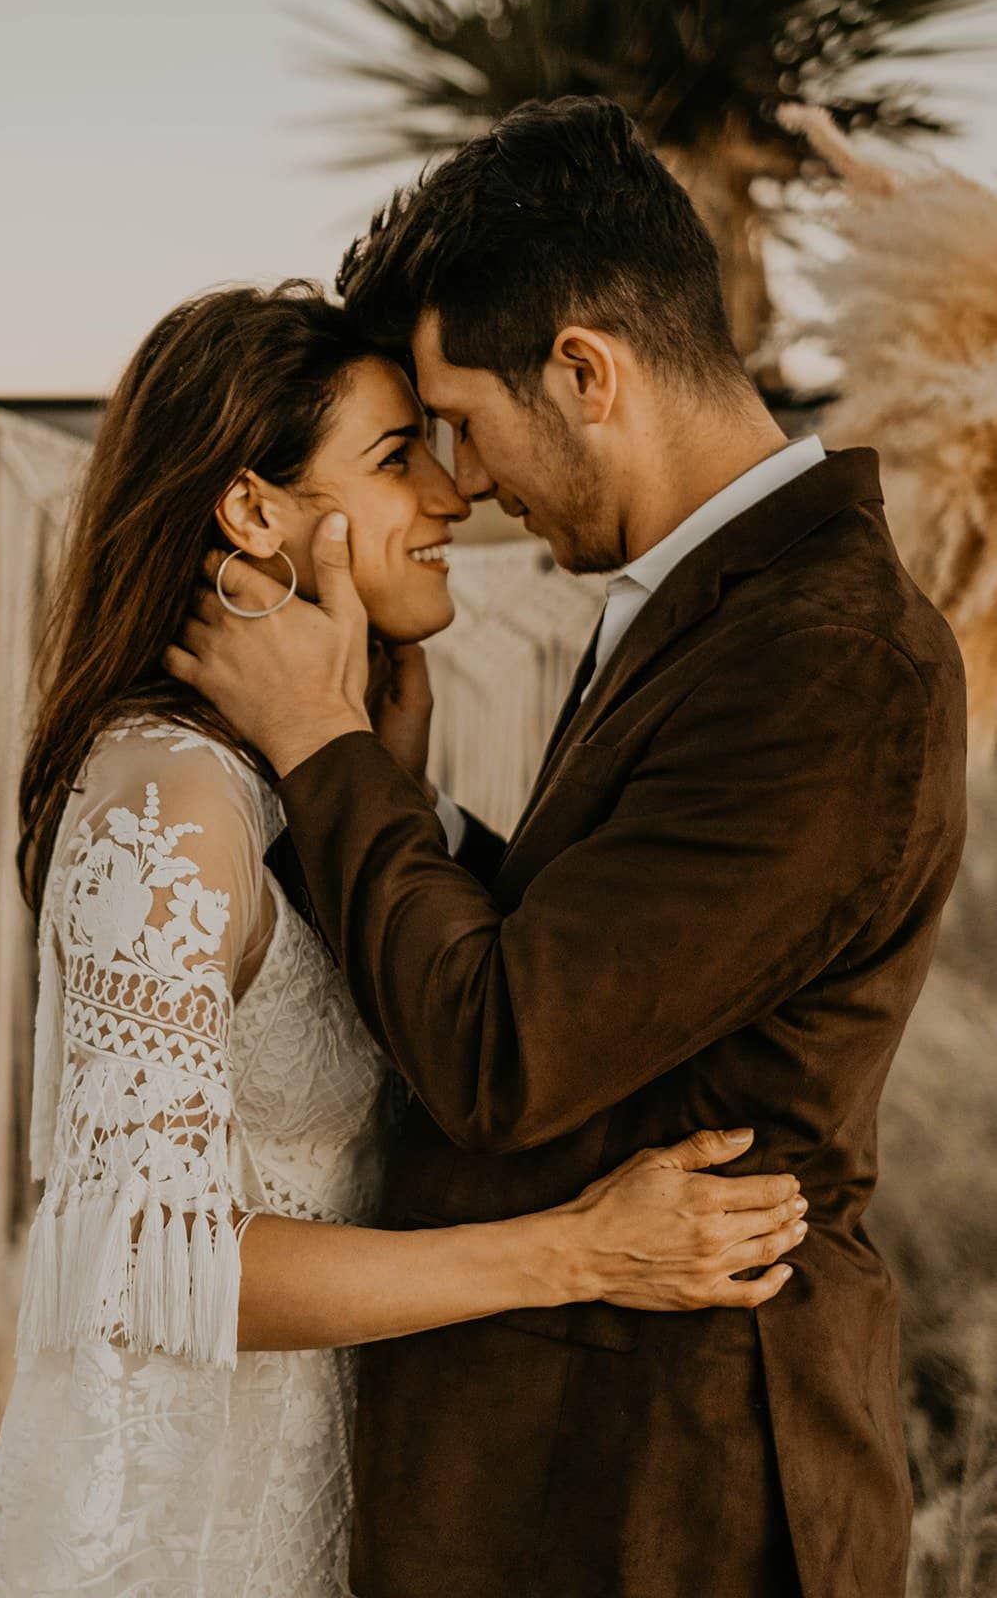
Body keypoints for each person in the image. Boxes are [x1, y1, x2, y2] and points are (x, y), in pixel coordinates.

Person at [167, 100, 969, 1598]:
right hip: (590, 1455)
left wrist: (324, 745)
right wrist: (406, 802)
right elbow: (607, 936)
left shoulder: (828, 656)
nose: (463, 484)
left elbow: (507, 1052)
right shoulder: (719, 603)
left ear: (586, 372)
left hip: (680, 1488)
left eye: (462, 422)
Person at [0, 282, 807, 1598]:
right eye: (397, 455)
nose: (453, 495)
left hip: (345, 1494)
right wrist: (579, 1250)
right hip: (195, 1529)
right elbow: (143, 1261)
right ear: (254, 512)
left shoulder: (317, 777)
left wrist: (377, 785)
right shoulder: (166, 802)